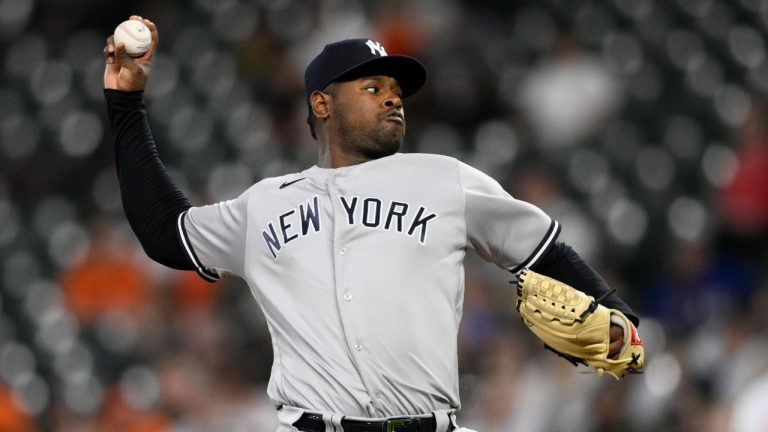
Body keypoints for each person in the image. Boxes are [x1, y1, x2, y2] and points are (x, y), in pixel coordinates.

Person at [102, 16, 641, 432]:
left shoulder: (445, 179)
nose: (392, 97)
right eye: (372, 87)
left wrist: (616, 313)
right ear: (322, 104)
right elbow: (165, 231)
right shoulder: (263, 205)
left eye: (396, 90)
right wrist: (126, 103)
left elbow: (541, 248)